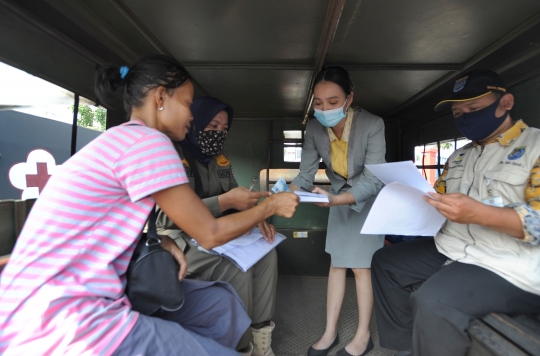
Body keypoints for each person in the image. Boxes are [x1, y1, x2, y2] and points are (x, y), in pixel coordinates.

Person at [0, 54, 299, 356]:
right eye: (186, 103)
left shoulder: (125, 140)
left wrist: (152, 239)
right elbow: (209, 233)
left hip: (76, 291)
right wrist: (269, 206)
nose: (192, 116)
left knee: (221, 305)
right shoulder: (149, 143)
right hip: (62, 313)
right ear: (160, 97)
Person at [371, 70, 540, 356]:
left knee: (434, 301)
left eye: (474, 109)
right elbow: (437, 194)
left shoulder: (534, 147)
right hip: (454, 247)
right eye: (458, 112)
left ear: (506, 102)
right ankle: (404, 348)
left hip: (509, 262)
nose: (465, 117)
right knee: (386, 262)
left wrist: (478, 213)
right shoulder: (459, 155)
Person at [156, 96, 279, 356]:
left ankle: (261, 335)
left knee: (267, 252)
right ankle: (241, 346)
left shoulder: (220, 160)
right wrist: (222, 203)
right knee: (237, 268)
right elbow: (165, 218)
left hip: (217, 233)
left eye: (223, 130)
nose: (218, 135)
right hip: (178, 241)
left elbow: (237, 199)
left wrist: (256, 215)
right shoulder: (171, 157)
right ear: (195, 122)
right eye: (212, 127)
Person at [289, 66, 386, 356]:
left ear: (349, 98)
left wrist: (335, 200)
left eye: (332, 102)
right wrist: (287, 194)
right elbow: (305, 175)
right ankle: (330, 332)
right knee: (336, 264)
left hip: (366, 201)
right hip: (337, 200)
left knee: (361, 268)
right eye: (318, 103)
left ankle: (363, 336)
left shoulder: (373, 124)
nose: (324, 109)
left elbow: (373, 178)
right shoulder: (314, 127)